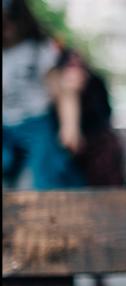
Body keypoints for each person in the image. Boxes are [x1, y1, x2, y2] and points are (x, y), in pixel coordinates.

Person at [2, 0, 84, 189]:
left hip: (36, 121)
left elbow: (63, 91)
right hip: (6, 124)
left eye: (10, 21)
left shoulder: (38, 49)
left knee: (44, 170)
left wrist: (70, 126)